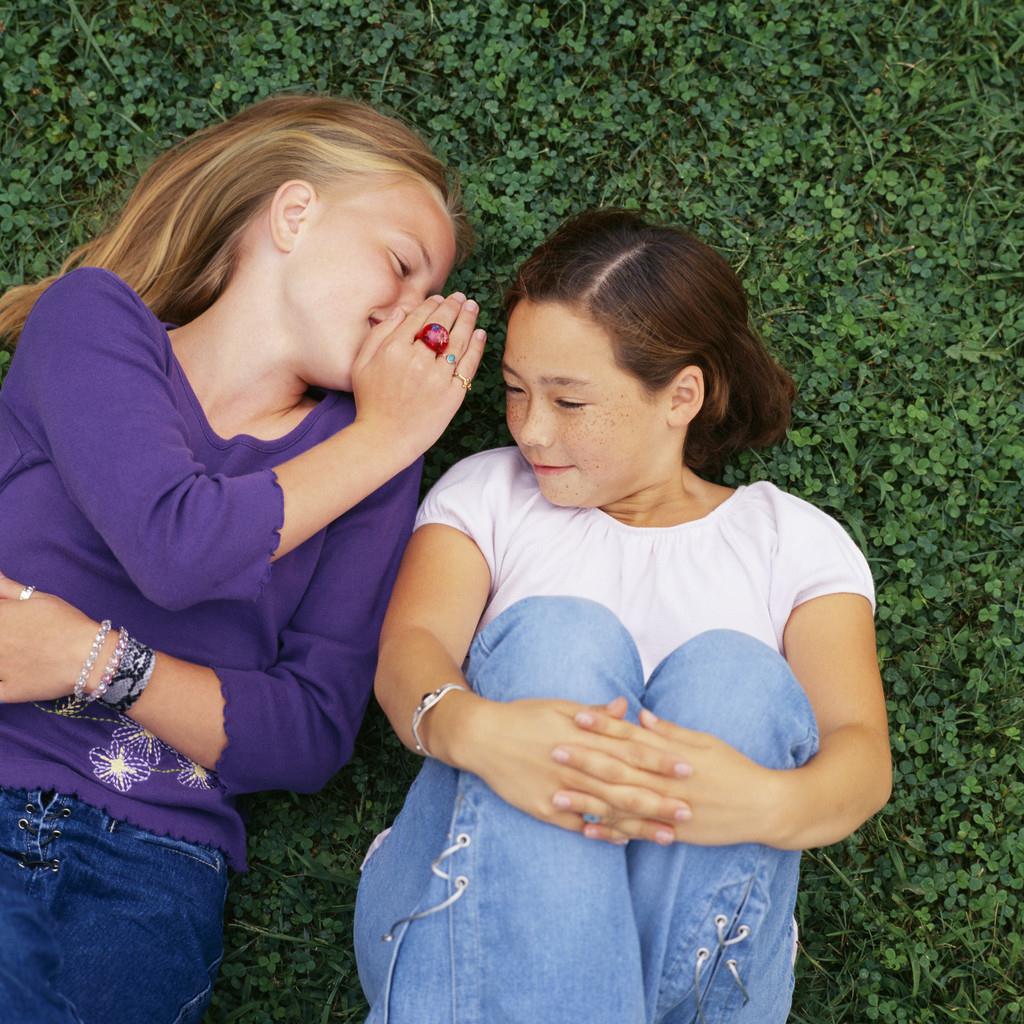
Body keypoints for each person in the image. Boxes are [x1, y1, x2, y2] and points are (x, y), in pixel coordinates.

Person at [0, 93, 485, 1024]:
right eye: (400, 262)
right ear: (295, 214)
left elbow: (308, 734)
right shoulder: (95, 324)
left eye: (428, 296)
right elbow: (173, 544)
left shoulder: (370, 467)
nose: (409, 312)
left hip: (148, 867)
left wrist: (91, 659)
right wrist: (387, 436)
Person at [353, 210, 892, 1023]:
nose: (531, 429)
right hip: (458, 929)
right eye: (516, 392)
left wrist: (758, 805)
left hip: (696, 959)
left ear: (682, 395)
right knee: (559, 638)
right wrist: (478, 733)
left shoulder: (794, 543)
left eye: (570, 401)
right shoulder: (489, 494)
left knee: (734, 679)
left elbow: (861, 756)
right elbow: (410, 652)